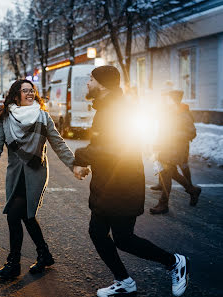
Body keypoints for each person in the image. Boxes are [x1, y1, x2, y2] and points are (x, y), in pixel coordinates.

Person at [73, 66, 190, 297]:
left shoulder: (117, 109)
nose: (87, 83)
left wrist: (81, 157)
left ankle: (175, 262)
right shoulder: (106, 108)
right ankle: (124, 281)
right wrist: (86, 160)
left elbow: (113, 148)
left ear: (103, 85)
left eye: (91, 79)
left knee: (124, 239)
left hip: (122, 185)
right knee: (97, 232)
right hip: (107, 185)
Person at [0, 79, 77, 279]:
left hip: (35, 173)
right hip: (15, 176)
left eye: (31, 90)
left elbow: (58, 144)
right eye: (24, 91)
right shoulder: (7, 118)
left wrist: (74, 164)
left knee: (14, 215)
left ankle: (13, 264)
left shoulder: (43, 117)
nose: (29, 94)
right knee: (27, 215)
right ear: (16, 95)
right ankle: (45, 254)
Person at [149, 90, 201, 214]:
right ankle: (192, 190)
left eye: (167, 98)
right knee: (172, 173)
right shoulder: (168, 111)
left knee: (167, 173)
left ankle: (163, 204)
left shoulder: (182, 113)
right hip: (165, 146)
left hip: (175, 148)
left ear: (174, 99)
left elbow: (191, 132)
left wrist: (173, 135)